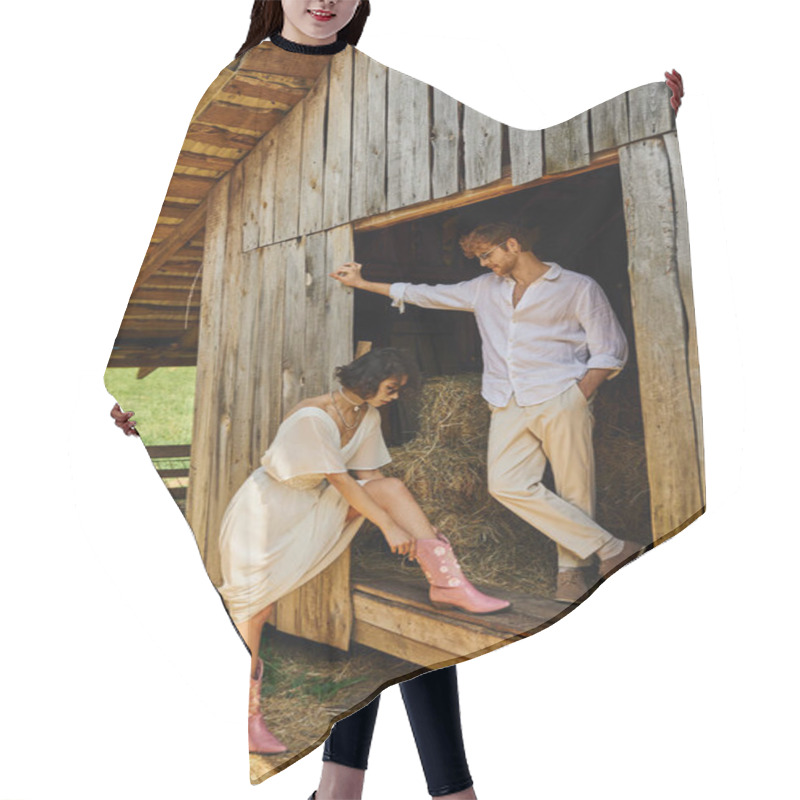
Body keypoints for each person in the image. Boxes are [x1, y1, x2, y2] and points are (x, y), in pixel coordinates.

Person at [331, 223, 643, 605]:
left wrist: (579, 395)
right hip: (506, 399)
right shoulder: (484, 289)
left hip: (561, 394)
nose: (484, 264)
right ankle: (612, 548)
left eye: (487, 255)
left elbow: (609, 347)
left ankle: (570, 574)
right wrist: (364, 284)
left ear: (512, 244)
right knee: (506, 484)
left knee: (574, 487)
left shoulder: (578, 287)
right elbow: (426, 295)